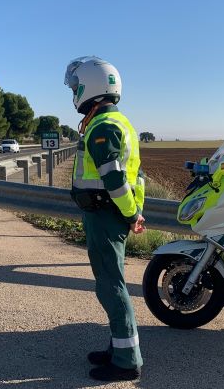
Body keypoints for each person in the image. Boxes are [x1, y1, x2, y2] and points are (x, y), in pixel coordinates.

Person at [64, 56, 146, 382]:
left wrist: (131, 213)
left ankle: (127, 361)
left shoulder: (103, 127)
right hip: (109, 214)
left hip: (105, 215)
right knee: (112, 283)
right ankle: (118, 348)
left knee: (111, 287)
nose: (73, 92)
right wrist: (131, 213)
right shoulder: (118, 121)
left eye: (75, 86)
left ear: (90, 88)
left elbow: (114, 179)